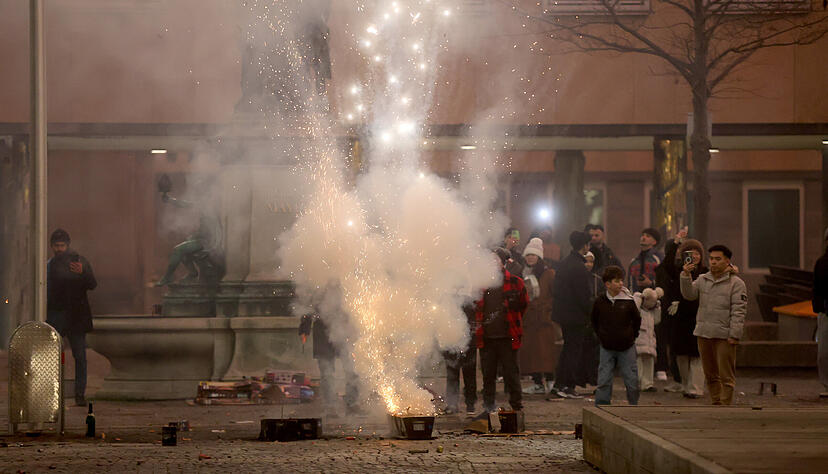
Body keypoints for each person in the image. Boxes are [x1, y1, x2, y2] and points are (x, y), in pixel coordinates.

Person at [680, 244, 747, 405]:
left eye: (718, 259)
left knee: (726, 374)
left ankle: (725, 404)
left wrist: (734, 334)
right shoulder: (703, 279)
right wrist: (685, 275)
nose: (713, 262)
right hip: (704, 332)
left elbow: (739, 310)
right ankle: (716, 402)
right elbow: (689, 295)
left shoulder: (736, 283)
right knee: (710, 374)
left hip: (724, 335)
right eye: (711, 259)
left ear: (727, 261)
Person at [46, 228, 97, 406]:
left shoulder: (80, 261)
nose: (59, 249)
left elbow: (92, 284)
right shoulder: (50, 264)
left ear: (67, 245)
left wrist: (83, 272)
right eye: (56, 246)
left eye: (62, 245)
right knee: (51, 357)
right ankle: (52, 393)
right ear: (52, 246)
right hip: (57, 315)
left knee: (80, 356)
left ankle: (79, 394)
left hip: (75, 315)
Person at [476, 249, 529, 413]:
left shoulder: (515, 281)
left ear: (503, 262)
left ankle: (516, 403)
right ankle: (488, 406)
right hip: (487, 336)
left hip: (508, 335)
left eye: (495, 260)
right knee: (488, 375)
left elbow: (523, 304)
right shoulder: (481, 283)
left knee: (511, 373)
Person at [657, 229, 706, 398]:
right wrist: (676, 242)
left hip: (699, 317)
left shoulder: (706, 272)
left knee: (698, 355)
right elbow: (666, 265)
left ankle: (696, 388)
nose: (694, 256)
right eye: (689, 253)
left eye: (697, 253)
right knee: (682, 355)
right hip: (680, 318)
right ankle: (686, 385)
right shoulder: (678, 270)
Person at [548, 231, 594, 400]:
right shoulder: (578, 267)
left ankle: (560, 384)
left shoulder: (565, 263)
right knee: (573, 351)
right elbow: (583, 295)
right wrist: (590, 312)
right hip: (576, 316)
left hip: (563, 314)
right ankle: (567, 385)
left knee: (567, 350)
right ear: (584, 246)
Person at [298, 296, 360, 417]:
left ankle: (352, 404)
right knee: (327, 373)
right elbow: (308, 305)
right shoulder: (317, 283)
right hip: (323, 333)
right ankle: (330, 406)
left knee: (351, 370)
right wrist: (304, 328)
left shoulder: (346, 283)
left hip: (345, 332)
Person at [591, 265, 641, 406]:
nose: (621, 284)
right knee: (604, 379)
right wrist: (601, 336)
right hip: (606, 346)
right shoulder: (600, 301)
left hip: (627, 346)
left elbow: (637, 320)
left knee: (631, 379)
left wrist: (632, 336)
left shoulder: (628, 301)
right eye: (617, 281)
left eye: (621, 280)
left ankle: (634, 404)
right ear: (607, 284)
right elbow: (594, 320)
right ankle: (602, 406)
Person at [519, 238, 560, 395]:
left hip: (544, 319)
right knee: (532, 352)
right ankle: (537, 382)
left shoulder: (549, 273)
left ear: (539, 257)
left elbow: (554, 295)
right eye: (528, 255)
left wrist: (548, 310)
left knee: (546, 351)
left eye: (533, 255)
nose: (530, 258)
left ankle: (550, 380)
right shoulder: (524, 273)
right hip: (530, 318)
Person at [628, 227, 666, 380]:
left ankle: (661, 367)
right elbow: (630, 281)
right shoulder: (634, 260)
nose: (643, 238)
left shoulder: (658, 259)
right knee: (639, 334)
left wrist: (652, 283)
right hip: (638, 300)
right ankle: (638, 370)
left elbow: (663, 279)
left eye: (647, 236)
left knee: (658, 334)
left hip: (655, 300)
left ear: (654, 241)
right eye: (642, 235)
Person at [443, 303, 478, 415]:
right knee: (453, 374)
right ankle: (453, 404)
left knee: (469, 375)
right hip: (452, 340)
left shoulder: (470, 300)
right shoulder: (448, 300)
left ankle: (470, 404)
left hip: (468, 341)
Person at [634, 287, 663, 392]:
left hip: (650, 341)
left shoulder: (651, 313)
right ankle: (636, 383)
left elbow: (657, 320)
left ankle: (647, 384)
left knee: (649, 363)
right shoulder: (638, 309)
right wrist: (638, 297)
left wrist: (658, 307)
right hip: (639, 341)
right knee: (638, 364)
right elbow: (634, 309)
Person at [813, 227, 828, 398]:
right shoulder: (822, 262)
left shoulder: (822, 262)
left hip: (824, 310)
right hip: (825, 310)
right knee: (824, 351)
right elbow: (817, 287)